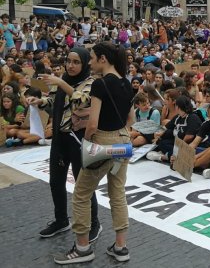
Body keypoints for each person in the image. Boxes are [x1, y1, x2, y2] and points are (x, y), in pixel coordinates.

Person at [54, 42, 134, 264]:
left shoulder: (100, 85)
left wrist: (87, 144)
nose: (89, 63)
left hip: (101, 141)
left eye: (91, 58)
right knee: (117, 193)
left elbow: (92, 124)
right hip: (122, 141)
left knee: (81, 193)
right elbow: (132, 119)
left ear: (103, 59)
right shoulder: (126, 83)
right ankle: (121, 246)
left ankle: (82, 248)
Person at [28, 48, 101, 242]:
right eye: (69, 61)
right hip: (61, 138)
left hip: (79, 140)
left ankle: (94, 223)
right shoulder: (63, 80)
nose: (71, 65)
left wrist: (61, 82)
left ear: (85, 64)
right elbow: (54, 100)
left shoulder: (91, 83)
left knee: (83, 185)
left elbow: (82, 101)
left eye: (76, 62)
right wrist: (40, 101)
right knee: (56, 181)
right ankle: (61, 220)